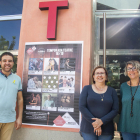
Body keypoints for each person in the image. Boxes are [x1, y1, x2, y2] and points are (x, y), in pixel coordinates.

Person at [79, 66, 118, 140]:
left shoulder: (112, 91)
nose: (99, 75)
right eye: (97, 73)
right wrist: (95, 123)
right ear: (93, 76)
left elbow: (115, 110)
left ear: (106, 76)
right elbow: (82, 107)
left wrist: (101, 121)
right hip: (88, 128)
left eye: (102, 73)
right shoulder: (86, 89)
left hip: (106, 128)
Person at [0, 52, 23, 140]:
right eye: (4, 61)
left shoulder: (17, 79)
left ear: (13, 63)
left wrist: (19, 118)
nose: (7, 63)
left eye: (10, 61)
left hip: (9, 118)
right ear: (0, 62)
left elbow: (20, 99)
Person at [118, 60, 140, 140]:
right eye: (129, 69)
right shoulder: (123, 86)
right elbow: (122, 105)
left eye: (134, 68)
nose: (131, 71)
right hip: (126, 125)